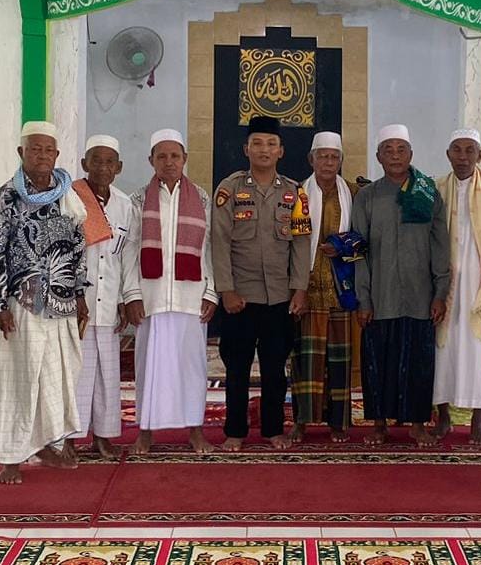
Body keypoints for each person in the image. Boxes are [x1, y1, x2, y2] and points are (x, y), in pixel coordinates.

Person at [0, 121, 88, 484]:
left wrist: (80, 293)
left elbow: (78, 247)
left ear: (56, 154)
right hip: (23, 301)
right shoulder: (7, 196)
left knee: (57, 376)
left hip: (62, 301)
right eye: (35, 149)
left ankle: (45, 445)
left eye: (48, 150)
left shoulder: (67, 194)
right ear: (21, 152)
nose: (42, 156)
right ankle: (11, 457)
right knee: (21, 377)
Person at [210, 115, 311, 451]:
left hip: (280, 297)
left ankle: (273, 429)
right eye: (257, 143)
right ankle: (235, 431)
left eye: (271, 144)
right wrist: (226, 289)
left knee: (274, 369)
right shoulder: (229, 189)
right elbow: (220, 242)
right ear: (246, 149)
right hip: (240, 296)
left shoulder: (295, 192)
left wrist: (300, 288)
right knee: (236, 367)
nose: (264, 150)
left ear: (281, 150)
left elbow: (301, 243)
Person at [351, 124, 450, 446]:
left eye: (401, 149)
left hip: (420, 297)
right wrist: (363, 299)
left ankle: (418, 424)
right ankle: (379, 424)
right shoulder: (367, 196)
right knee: (378, 362)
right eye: (388, 150)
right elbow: (358, 250)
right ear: (378, 157)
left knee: (419, 364)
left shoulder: (427, 193)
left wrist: (440, 293)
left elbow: (440, 245)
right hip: (380, 297)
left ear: (411, 154)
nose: (395, 156)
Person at [124, 129, 217, 455]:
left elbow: (209, 249)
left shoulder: (201, 199)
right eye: (161, 156)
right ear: (151, 160)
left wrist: (211, 292)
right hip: (150, 296)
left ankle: (195, 431)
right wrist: (132, 294)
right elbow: (130, 249)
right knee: (148, 368)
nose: (169, 162)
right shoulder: (138, 200)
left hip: (190, 296)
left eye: (174, 156)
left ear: (184, 159)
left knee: (192, 368)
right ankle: (145, 432)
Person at [432, 129, 481, 442]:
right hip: (444, 281)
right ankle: (443, 417)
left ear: (480, 155)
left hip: (479, 282)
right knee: (442, 347)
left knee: (478, 348)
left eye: (469, 150)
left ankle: (478, 421)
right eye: (457, 150)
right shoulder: (437, 188)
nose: (463, 157)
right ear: (448, 154)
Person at [292, 131, 361, 442]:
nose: (328, 162)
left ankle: (338, 423)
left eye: (334, 157)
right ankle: (301, 422)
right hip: (307, 289)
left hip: (341, 291)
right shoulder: (297, 194)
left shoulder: (354, 195)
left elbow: (365, 243)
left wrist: (344, 248)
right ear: (312, 159)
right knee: (305, 361)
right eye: (323, 156)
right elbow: (290, 243)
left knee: (339, 362)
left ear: (341, 161)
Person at [71, 134, 135, 458]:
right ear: (85, 163)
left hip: (109, 301)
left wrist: (125, 298)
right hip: (77, 303)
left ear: (119, 167)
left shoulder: (124, 205)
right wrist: (73, 293)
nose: (103, 168)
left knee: (108, 374)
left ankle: (104, 436)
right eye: (96, 160)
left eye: (110, 162)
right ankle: (69, 438)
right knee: (76, 374)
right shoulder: (71, 199)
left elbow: (126, 257)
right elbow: (64, 253)